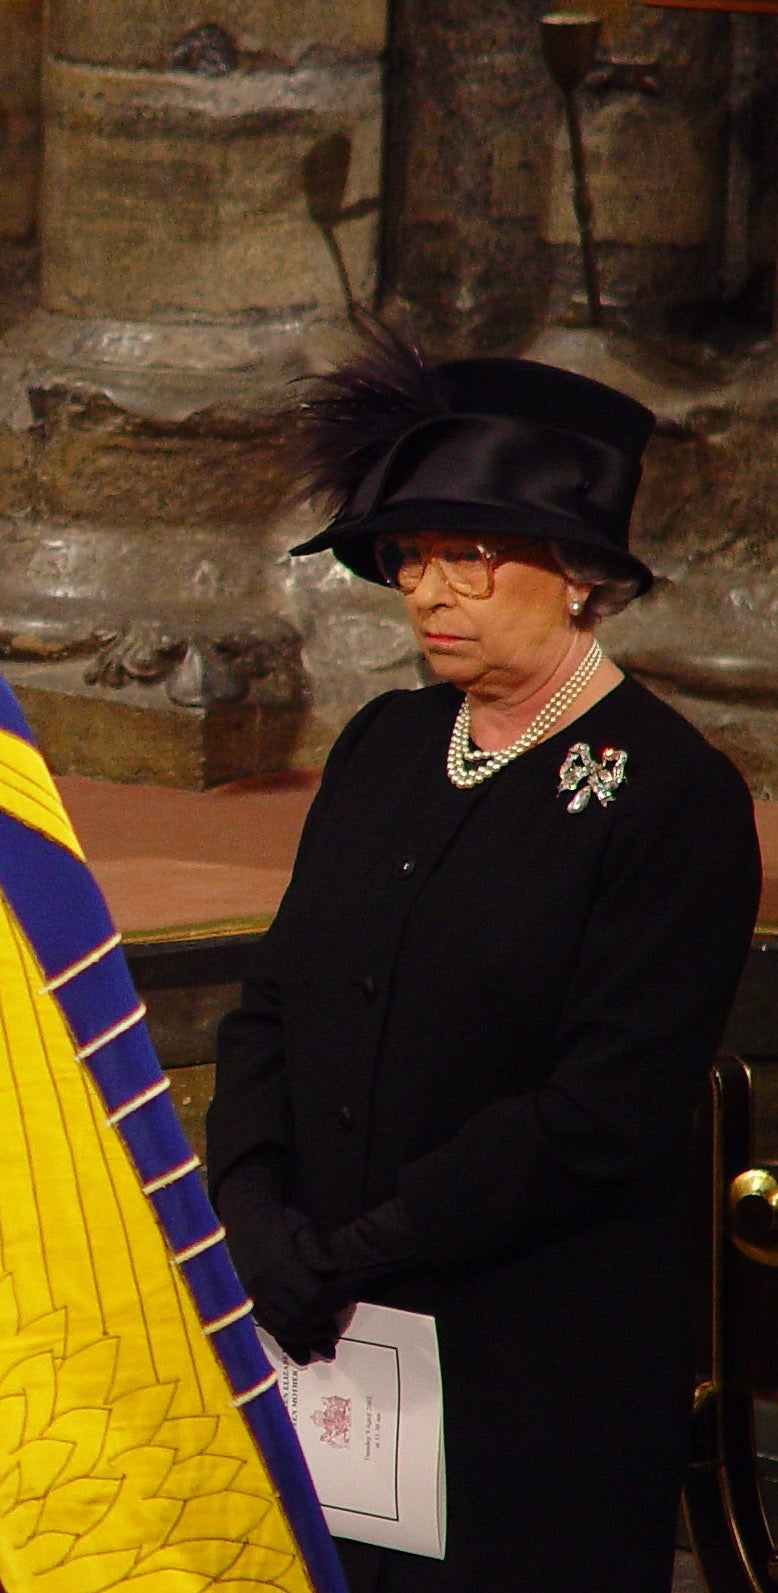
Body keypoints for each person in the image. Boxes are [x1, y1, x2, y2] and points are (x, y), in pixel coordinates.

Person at [206, 326, 762, 1593]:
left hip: (529, 1367)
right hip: (322, 1338)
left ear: (577, 574)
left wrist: (357, 1252)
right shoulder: (385, 745)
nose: (427, 591)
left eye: (467, 554)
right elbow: (273, 1007)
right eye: (409, 558)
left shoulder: (668, 795)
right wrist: (252, 1217)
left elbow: (596, 1116)